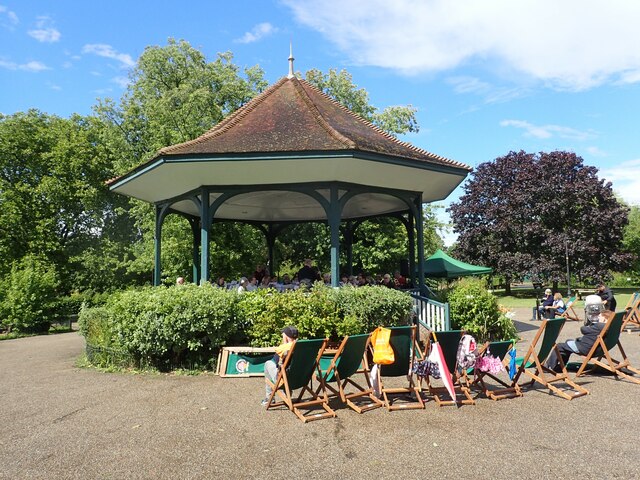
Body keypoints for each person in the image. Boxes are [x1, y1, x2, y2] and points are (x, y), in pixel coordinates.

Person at [545, 312, 609, 372]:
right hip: (598, 349)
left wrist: (589, 324)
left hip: (585, 349)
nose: (598, 317)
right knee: (567, 344)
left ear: (604, 318)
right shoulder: (609, 326)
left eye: (600, 316)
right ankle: (560, 367)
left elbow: (583, 329)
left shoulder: (599, 326)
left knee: (559, 346)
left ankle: (549, 366)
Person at [262, 326, 299, 406]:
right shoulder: (303, 346)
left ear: (286, 336)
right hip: (300, 379)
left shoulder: (283, 347)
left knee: (268, 363)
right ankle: (287, 394)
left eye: (283, 334)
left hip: (285, 380)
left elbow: (274, 360)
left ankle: (269, 398)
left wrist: (285, 343)